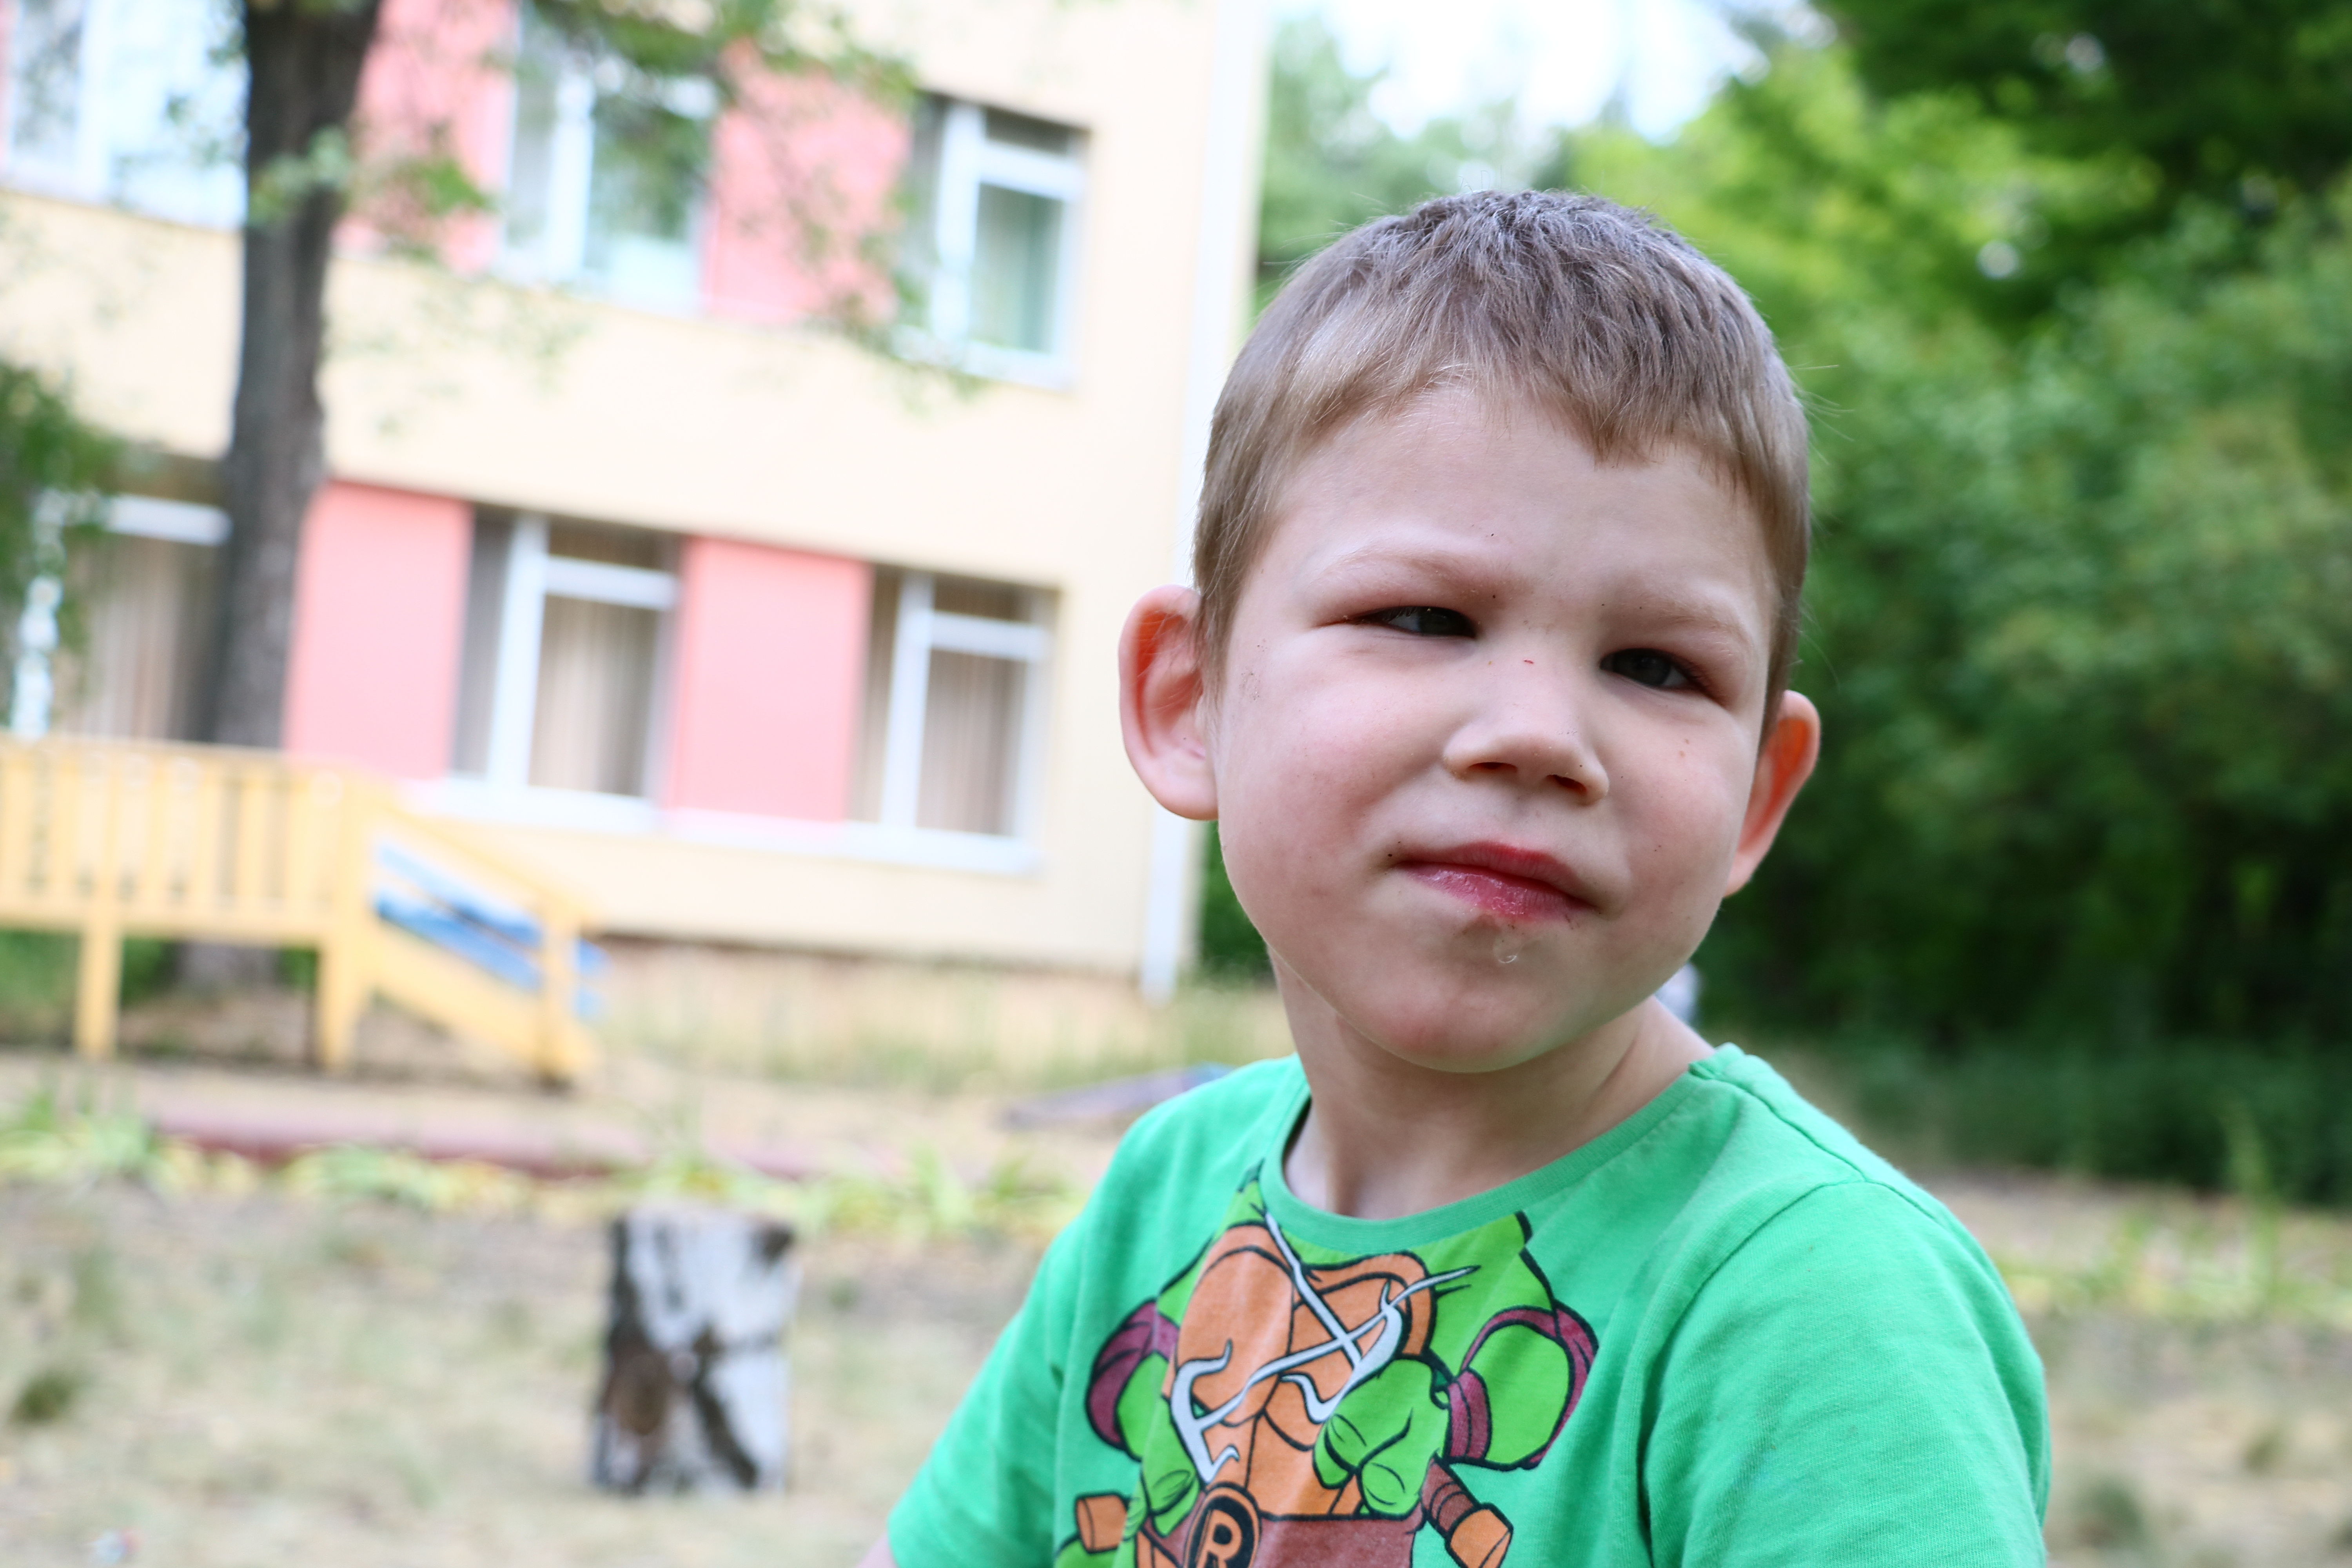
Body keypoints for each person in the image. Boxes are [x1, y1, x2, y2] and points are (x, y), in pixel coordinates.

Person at [861, 191, 2048, 1568]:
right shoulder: (1162, 1200)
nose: (1538, 734)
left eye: (1658, 666)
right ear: (1190, 701)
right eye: (1425, 618)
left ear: (1756, 799)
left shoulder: (1812, 1301)